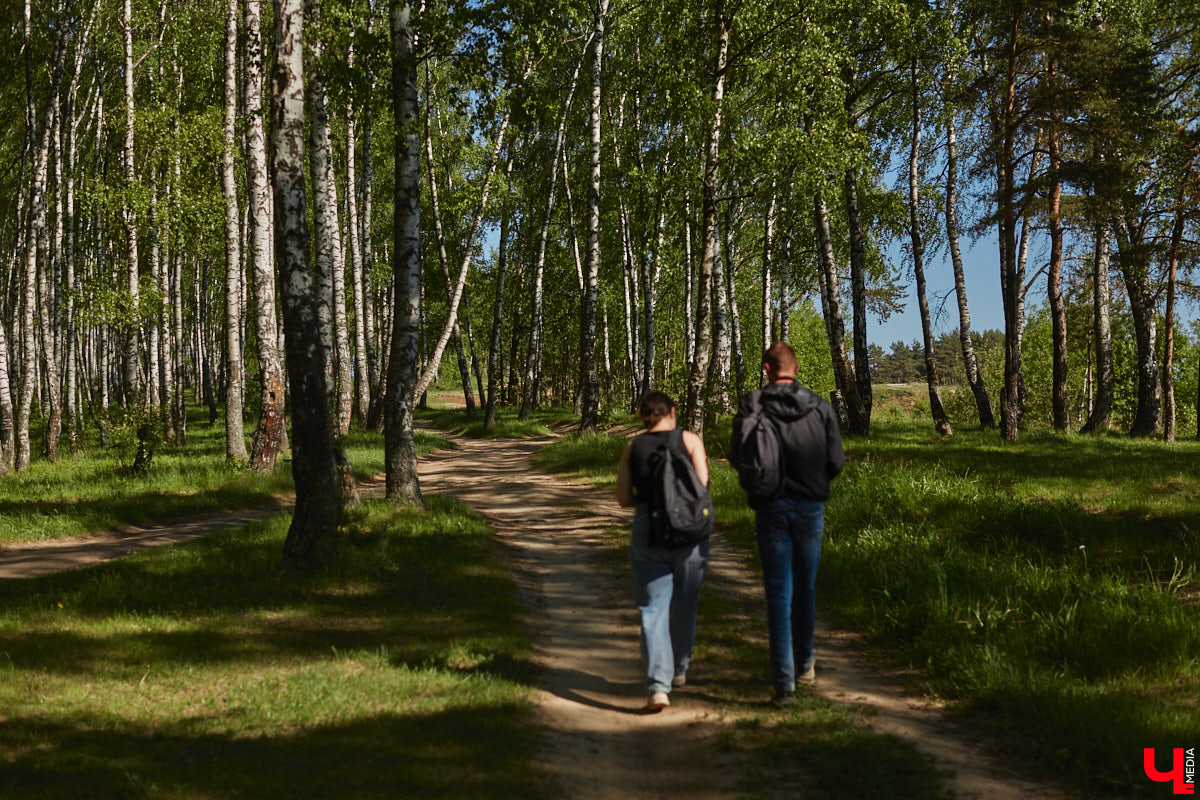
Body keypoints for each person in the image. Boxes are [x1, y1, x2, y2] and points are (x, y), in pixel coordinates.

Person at [731, 342, 844, 706]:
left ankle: (784, 686)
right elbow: (836, 461)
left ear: (767, 368)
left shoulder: (753, 404)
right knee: (806, 588)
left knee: (779, 593)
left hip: (770, 506)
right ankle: (806, 664)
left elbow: (737, 455)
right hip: (810, 506)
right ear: (795, 367)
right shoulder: (820, 406)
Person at [616, 391, 711, 711]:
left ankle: (659, 686)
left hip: (649, 529)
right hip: (689, 535)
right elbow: (702, 484)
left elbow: (624, 499)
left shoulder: (633, 447)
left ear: (643, 416)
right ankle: (680, 669)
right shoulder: (690, 441)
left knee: (653, 610)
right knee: (685, 605)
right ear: (671, 411)